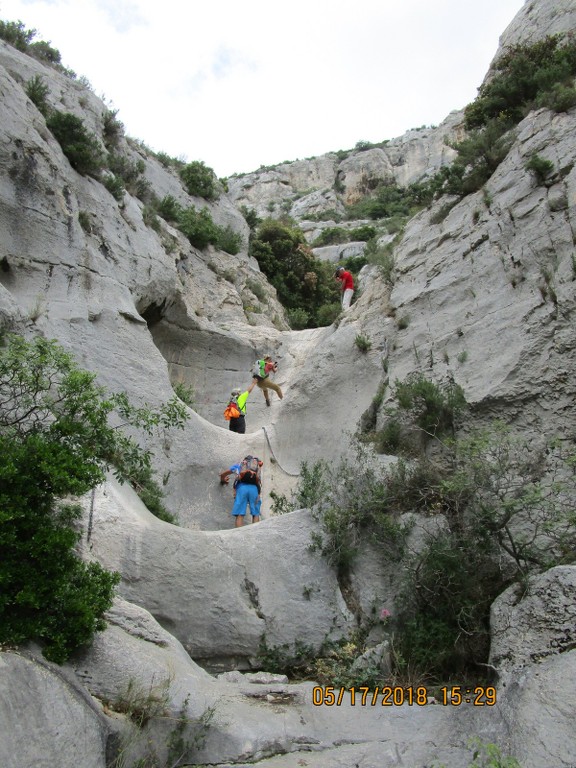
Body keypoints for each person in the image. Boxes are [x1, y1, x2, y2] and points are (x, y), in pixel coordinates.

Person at [230, 456, 263, 528]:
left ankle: (238, 533)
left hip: (242, 489)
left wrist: (222, 477)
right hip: (254, 489)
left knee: (240, 513)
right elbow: (259, 481)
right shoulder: (256, 468)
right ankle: (255, 533)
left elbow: (232, 474)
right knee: (255, 513)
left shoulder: (239, 466)